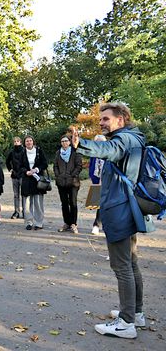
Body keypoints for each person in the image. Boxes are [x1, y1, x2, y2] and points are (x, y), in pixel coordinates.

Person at [72, 102, 147, 339]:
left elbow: (107, 150)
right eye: (100, 119)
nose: (101, 122)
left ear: (121, 119)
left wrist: (80, 144)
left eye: (106, 119)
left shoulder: (123, 140)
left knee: (122, 266)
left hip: (119, 209)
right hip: (129, 207)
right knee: (131, 263)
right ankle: (135, 313)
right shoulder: (135, 138)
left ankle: (126, 323)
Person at [53, 135, 82, 234]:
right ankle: (66, 223)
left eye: (66, 141)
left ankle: (73, 224)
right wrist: (58, 176)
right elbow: (55, 166)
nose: (64, 143)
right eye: (62, 141)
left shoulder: (75, 152)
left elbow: (79, 166)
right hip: (61, 182)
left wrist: (72, 175)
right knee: (64, 203)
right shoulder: (58, 153)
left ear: (69, 142)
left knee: (73, 203)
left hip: (73, 182)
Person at [19, 135, 48, 230]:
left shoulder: (39, 151)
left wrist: (36, 169)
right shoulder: (22, 152)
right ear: (24, 143)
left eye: (30, 140)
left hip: (37, 179)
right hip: (27, 179)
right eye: (27, 141)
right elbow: (19, 166)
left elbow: (44, 164)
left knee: (38, 203)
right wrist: (26, 171)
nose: (29, 142)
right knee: (27, 203)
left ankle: (39, 223)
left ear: (33, 142)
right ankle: (29, 222)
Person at [89, 135, 106, 235]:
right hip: (96, 182)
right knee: (98, 205)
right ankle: (96, 225)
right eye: (97, 142)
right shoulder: (93, 153)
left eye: (101, 142)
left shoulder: (108, 153)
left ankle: (100, 224)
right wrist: (94, 179)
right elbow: (91, 167)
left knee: (106, 205)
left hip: (107, 182)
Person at [6, 136, 25, 219]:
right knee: (16, 195)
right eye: (15, 141)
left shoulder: (25, 151)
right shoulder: (12, 152)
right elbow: (7, 161)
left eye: (18, 141)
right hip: (14, 176)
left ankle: (25, 212)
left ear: (20, 142)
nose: (16, 142)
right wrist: (10, 170)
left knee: (24, 194)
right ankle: (16, 212)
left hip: (23, 176)